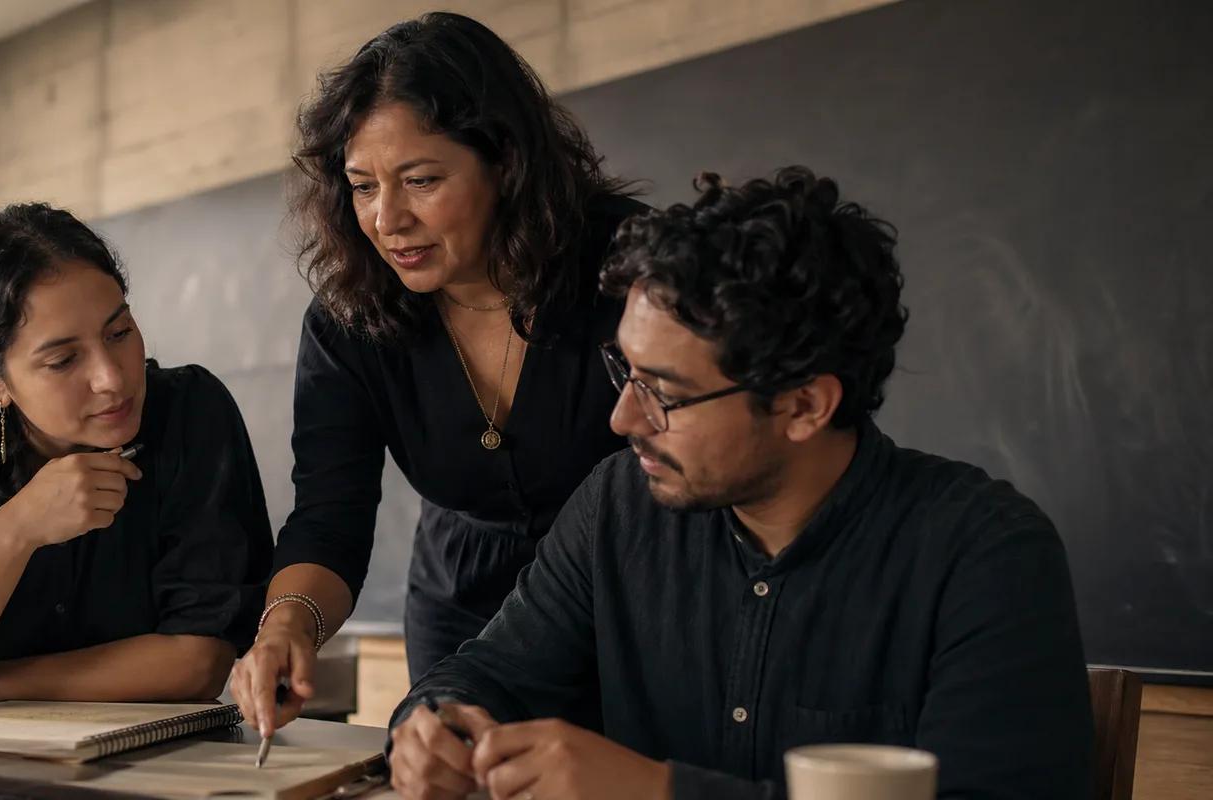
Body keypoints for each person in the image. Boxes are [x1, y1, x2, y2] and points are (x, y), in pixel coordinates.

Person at [385, 167, 1095, 800]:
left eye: (664, 390)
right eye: (624, 371)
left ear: (804, 406)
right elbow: (493, 673)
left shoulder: (984, 554)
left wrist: (662, 793)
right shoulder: (618, 507)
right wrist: (435, 722)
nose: (623, 415)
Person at [230, 11, 650, 737]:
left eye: (421, 179)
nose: (388, 219)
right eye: (362, 186)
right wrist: (286, 628)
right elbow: (329, 517)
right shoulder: (349, 320)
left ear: (507, 163)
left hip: (642, 598)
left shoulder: (631, 265)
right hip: (462, 611)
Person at [0, 203, 273, 711]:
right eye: (63, 360)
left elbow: (198, 661)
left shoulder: (189, 414)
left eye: (119, 333)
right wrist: (18, 528)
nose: (112, 378)